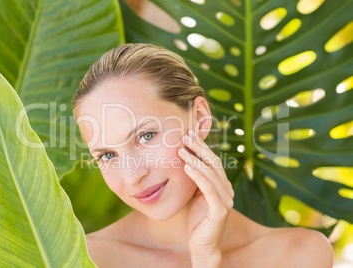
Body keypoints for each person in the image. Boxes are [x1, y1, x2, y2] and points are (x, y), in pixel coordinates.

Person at [72, 43, 333, 267]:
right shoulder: (82, 259)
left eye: (146, 136)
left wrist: (206, 256)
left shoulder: (298, 256)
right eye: (107, 155)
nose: (132, 177)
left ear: (199, 118)